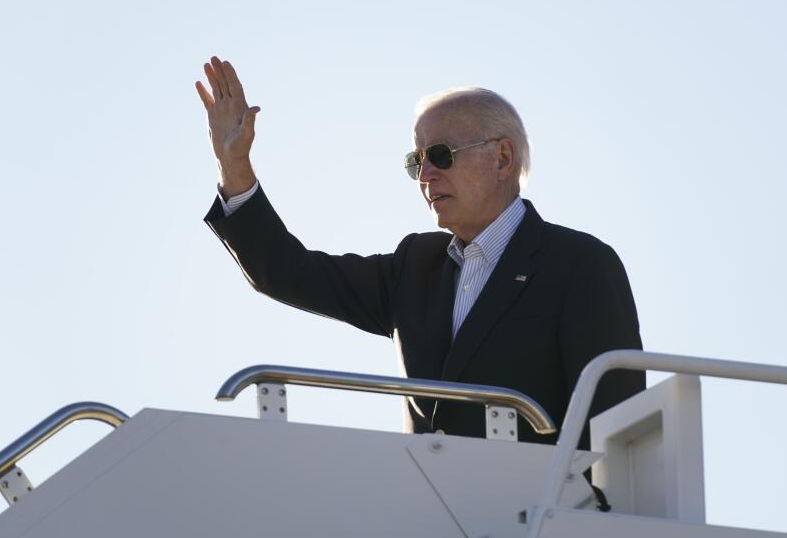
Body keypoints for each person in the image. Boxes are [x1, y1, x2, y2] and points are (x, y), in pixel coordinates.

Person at [197, 56, 644, 450]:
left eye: (441, 155)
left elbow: (613, 421)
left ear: (503, 159)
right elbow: (288, 272)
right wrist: (233, 168)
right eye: (416, 161)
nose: (426, 174)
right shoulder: (415, 265)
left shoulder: (579, 263)